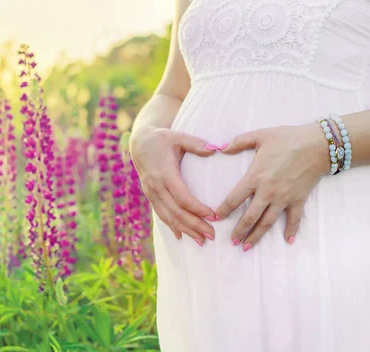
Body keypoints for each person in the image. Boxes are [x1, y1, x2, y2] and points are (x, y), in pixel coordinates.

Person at [129, 0, 370, 351]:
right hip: (207, 256)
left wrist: (323, 144)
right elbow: (173, 91)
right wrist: (143, 137)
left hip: (328, 234)